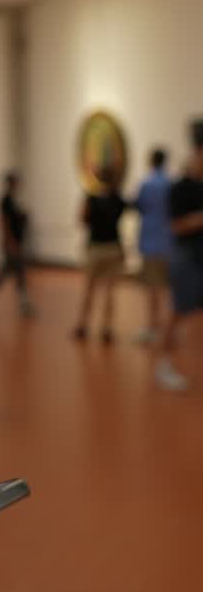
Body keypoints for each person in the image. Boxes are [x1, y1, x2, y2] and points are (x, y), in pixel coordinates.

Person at [155, 122, 203, 392]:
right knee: (177, 312)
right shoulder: (181, 188)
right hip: (186, 257)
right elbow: (176, 226)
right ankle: (164, 364)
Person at [72, 167, 128, 342]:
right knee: (109, 291)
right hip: (113, 247)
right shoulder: (118, 199)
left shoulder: (91, 198)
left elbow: (82, 220)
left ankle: (83, 324)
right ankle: (107, 328)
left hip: (96, 247)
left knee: (90, 288)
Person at [0, 171, 35, 316]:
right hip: (12, 243)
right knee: (11, 272)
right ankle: (22, 302)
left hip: (16, 242)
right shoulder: (5, 201)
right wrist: (9, 242)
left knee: (12, 272)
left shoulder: (14, 200)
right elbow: (4, 222)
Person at [133, 148, 172, 344]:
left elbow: (139, 206)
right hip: (167, 241)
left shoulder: (146, 184)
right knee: (165, 287)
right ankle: (166, 327)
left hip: (149, 241)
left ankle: (152, 326)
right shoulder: (170, 184)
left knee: (151, 287)